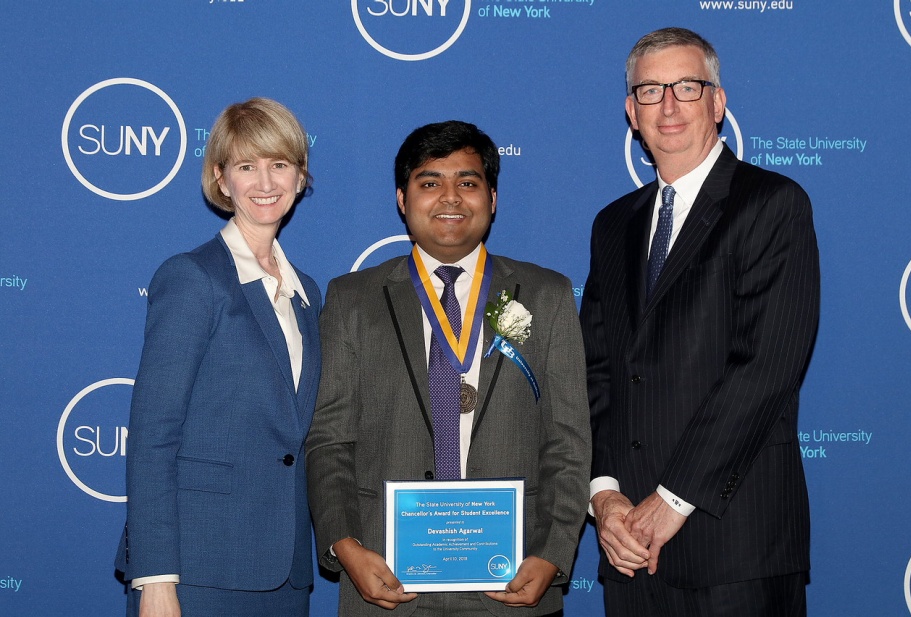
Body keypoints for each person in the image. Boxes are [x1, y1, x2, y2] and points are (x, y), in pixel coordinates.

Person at [306, 120, 591, 616]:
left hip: (514, 581)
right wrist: (345, 547)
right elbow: (329, 441)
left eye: (468, 182)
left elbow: (568, 440)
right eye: (430, 182)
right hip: (386, 582)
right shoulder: (352, 299)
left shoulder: (546, 296)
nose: (450, 197)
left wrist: (553, 552)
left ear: (493, 197)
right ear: (402, 198)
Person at [581, 28, 820, 616]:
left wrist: (672, 499)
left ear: (717, 102)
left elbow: (766, 368)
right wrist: (606, 497)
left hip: (735, 543)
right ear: (630, 111)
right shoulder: (613, 225)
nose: (669, 106)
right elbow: (596, 371)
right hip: (631, 551)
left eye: (687, 87)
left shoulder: (772, 203)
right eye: (651, 90)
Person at [115, 97, 321, 616]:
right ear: (221, 179)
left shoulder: (308, 294)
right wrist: (157, 576)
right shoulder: (192, 278)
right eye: (246, 167)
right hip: (197, 571)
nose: (266, 182)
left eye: (279, 164)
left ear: (300, 176)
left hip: (286, 573)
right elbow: (154, 433)